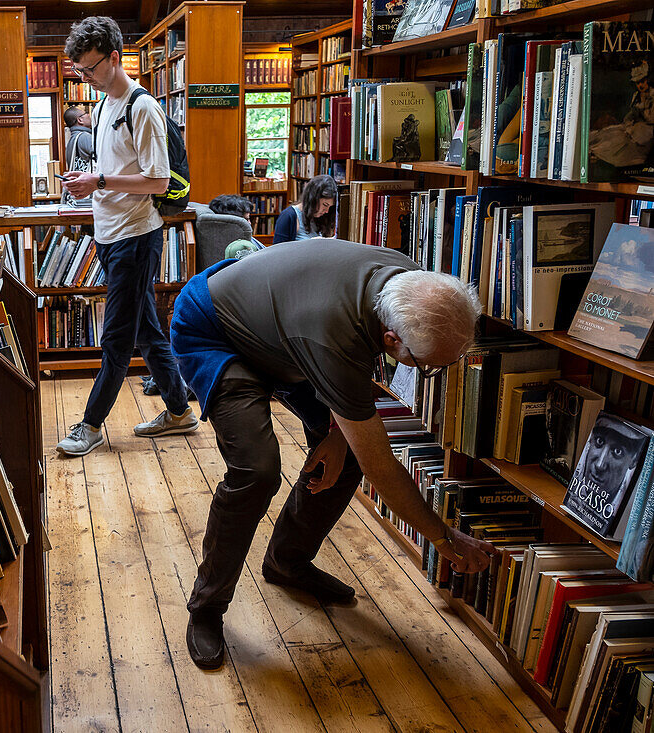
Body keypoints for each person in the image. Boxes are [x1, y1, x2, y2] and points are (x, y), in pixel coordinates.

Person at [168, 238, 495, 670]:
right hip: (215, 329)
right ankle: (206, 608)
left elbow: (352, 383)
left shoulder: (413, 286)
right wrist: (444, 538)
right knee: (257, 470)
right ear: (392, 338)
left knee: (349, 456)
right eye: (427, 364)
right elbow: (382, 465)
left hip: (288, 335)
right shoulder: (332, 336)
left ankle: (287, 563)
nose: (432, 373)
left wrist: (341, 436)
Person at [56, 16, 196, 456]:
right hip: (108, 233)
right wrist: (91, 179)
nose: (87, 78)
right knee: (146, 329)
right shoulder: (100, 108)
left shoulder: (143, 107)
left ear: (115, 57)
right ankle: (179, 411)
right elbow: (115, 170)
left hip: (137, 236)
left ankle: (92, 423)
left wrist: (98, 182)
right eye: (80, 71)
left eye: (92, 69)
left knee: (116, 335)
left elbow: (156, 180)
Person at [273, 174, 338, 243]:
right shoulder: (288, 216)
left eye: (330, 207)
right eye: (325, 205)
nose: (327, 211)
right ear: (313, 199)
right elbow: (277, 251)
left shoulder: (321, 219)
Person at [63, 106, 94, 208]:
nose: (89, 115)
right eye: (86, 113)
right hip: (89, 195)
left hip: (79, 194)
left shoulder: (72, 139)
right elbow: (104, 156)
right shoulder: (85, 137)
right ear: (80, 120)